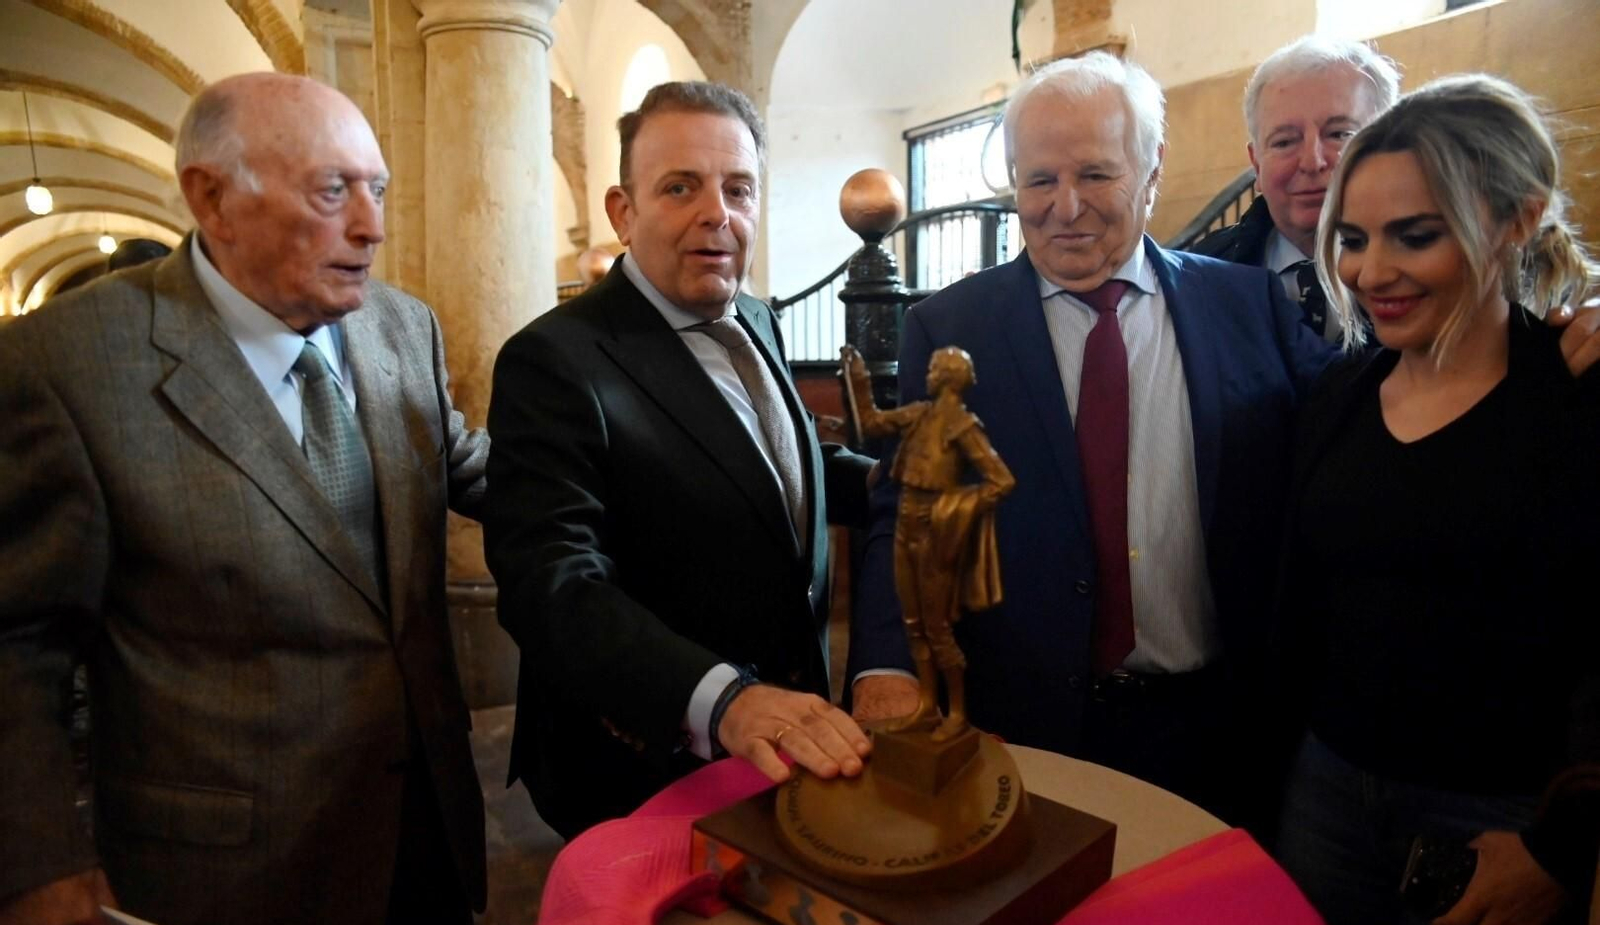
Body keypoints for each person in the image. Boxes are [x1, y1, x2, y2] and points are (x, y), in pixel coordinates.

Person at [0, 73, 489, 925]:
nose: (370, 225)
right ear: (210, 196)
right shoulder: (66, 367)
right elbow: (17, 639)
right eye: (330, 192)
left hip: (423, 848)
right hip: (234, 888)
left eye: (379, 189)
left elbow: (469, 465)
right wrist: (39, 853)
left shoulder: (402, 325)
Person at [848, 52, 1339, 831]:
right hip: (1027, 731)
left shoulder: (1250, 308)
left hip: (1219, 729)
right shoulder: (950, 328)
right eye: (1038, 181)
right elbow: (905, 511)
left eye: (1097, 176)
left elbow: (1368, 421)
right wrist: (884, 663)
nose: (1065, 207)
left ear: (1151, 171)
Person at [1275, 74, 1600, 925]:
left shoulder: (1577, 401)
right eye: (1353, 237)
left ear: (1515, 217)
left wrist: (1556, 848)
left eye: (1413, 235)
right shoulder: (1338, 395)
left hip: (1493, 822)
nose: (1374, 269)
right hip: (1327, 789)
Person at [483, 81, 875, 841]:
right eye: (680, 187)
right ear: (622, 212)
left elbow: (764, 465)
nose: (716, 214)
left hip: (789, 739)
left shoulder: (753, 315)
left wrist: (883, 481)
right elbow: (551, 584)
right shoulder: (554, 360)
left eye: (738, 189)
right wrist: (723, 699)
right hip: (643, 763)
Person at [841, 344, 1015, 741]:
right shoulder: (919, 413)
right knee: (914, 623)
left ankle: (955, 714)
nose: (930, 372)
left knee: (939, 630)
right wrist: (859, 381)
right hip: (906, 524)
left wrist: (957, 505)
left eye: (937, 367)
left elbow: (1000, 480)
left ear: (952, 376)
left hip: (938, 531)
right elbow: (871, 423)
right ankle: (924, 707)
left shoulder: (963, 427)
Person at [1191, 35, 1400, 337]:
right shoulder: (1199, 280)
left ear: (1390, 145)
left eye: (1339, 134)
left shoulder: (1434, 273)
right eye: (1285, 141)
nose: (1311, 161)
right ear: (1257, 164)